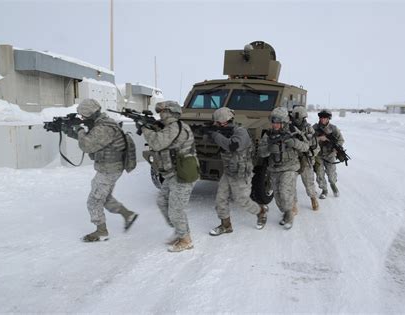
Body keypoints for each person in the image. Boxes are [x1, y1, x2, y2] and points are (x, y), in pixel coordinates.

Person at [64, 99, 138, 242]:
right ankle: (128, 215)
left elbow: (87, 145)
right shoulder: (101, 124)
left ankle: (101, 231)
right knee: (104, 197)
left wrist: (79, 129)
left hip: (109, 169)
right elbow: (92, 139)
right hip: (110, 167)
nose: (82, 119)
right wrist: (68, 130)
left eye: (83, 117)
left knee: (93, 201)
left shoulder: (104, 127)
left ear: (90, 114)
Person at [138, 100, 197, 252]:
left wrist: (145, 128)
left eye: (163, 112)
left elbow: (157, 143)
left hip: (182, 174)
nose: (161, 115)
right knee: (162, 201)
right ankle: (180, 230)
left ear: (170, 112)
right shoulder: (169, 127)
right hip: (172, 173)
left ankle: (185, 240)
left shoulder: (175, 127)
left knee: (176, 210)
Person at [206, 107, 268, 235]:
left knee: (243, 201)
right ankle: (226, 225)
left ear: (224, 122)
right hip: (229, 171)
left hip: (241, 172)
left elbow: (232, 146)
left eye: (217, 122)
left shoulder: (241, 132)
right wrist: (209, 133)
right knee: (220, 199)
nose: (216, 124)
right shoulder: (222, 131)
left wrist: (216, 135)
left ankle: (261, 211)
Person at [258, 107, 309, 229]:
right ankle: (286, 212)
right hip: (274, 169)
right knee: (278, 198)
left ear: (284, 122)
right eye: (273, 122)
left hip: (290, 167)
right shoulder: (268, 134)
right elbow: (260, 152)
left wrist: (294, 143)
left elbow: (306, 146)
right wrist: (269, 149)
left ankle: (289, 216)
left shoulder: (293, 131)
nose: (275, 125)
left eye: (277, 122)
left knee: (285, 193)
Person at [290, 106, 320, 211]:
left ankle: (313, 198)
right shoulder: (288, 128)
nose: (296, 120)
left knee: (309, 182)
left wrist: (311, 155)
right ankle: (293, 205)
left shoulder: (308, 129)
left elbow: (316, 146)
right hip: (292, 160)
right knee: (290, 184)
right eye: (294, 117)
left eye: (299, 118)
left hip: (305, 160)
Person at [313, 109, 345, 199]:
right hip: (318, 155)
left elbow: (341, 140)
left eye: (325, 117)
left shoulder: (333, 128)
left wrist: (336, 148)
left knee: (331, 173)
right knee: (319, 173)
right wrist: (319, 138)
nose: (323, 119)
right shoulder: (314, 128)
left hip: (330, 154)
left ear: (329, 118)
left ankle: (333, 185)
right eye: (321, 117)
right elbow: (308, 140)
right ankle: (324, 190)